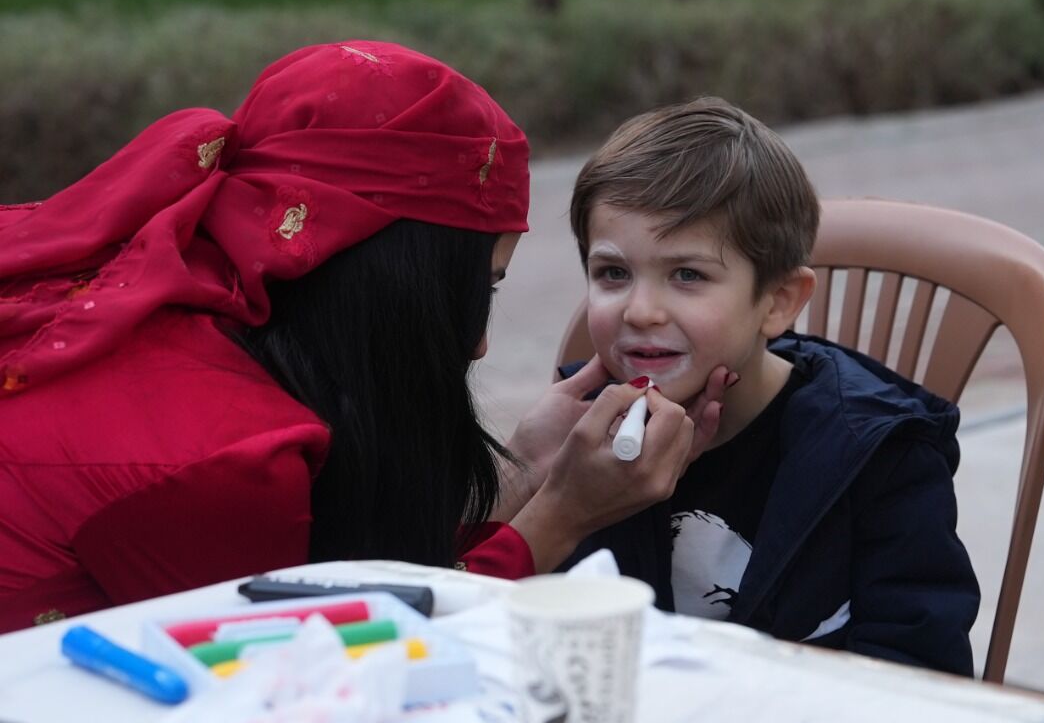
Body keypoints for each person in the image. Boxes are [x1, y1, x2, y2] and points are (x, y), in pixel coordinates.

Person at [0, 41, 721, 634]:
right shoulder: (222, 457)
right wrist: (564, 514)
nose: (478, 346)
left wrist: (529, 468)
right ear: (388, 286)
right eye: (478, 292)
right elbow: (329, 662)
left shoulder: (180, 309)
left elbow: (347, 573)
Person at [562, 98, 980, 676]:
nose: (640, 310)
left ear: (779, 302)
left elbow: (920, 668)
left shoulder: (880, 455)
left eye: (687, 275)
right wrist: (551, 493)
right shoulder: (577, 432)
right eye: (613, 273)